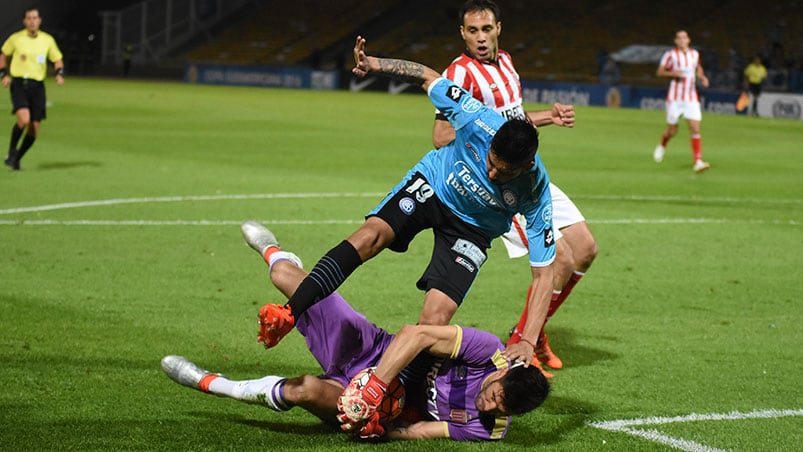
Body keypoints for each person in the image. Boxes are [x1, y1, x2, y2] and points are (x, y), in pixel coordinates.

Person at [256, 36, 556, 372]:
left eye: (503, 173)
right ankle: (290, 311)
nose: (491, 172)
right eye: (491, 161)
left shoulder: (535, 188)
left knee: (435, 318)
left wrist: (529, 340)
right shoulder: (477, 118)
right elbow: (427, 76)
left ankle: (393, 388)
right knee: (371, 235)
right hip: (433, 185)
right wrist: (374, 65)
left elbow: (544, 274)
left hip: (472, 230)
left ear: (526, 166)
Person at [161, 221, 549, 441]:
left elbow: (421, 432)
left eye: (504, 409)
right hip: (373, 352)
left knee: (304, 390)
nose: (493, 407)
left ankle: (211, 382)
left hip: (373, 405)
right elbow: (416, 334)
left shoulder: (491, 427)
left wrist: (380, 426)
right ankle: (276, 252)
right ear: (501, 374)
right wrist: (376, 381)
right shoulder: (489, 352)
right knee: (283, 277)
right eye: (498, 396)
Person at [433, 0, 597, 377]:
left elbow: (512, 120)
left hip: (529, 173)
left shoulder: (506, 63)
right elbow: (441, 135)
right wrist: (482, 136)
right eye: (472, 31)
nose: (480, 37)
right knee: (560, 260)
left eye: (486, 29)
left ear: (498, 29)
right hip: (498, 185)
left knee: (585, 249)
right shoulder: (458, 73)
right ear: (462, 34)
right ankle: (521, 343)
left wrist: (547, 118)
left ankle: (533, 334)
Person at [0, 7, 64, 171]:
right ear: (24, 21)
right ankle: (11, 151)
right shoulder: (16, 38)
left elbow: (57, 59)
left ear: (40, 20)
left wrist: (59, 73)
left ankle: (17, 159)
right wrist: (4, 74)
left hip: (37, 86)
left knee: (34, 129)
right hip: (20, 83)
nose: (32, 21)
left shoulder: (47, 40)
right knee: (24, 119)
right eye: (29, 18)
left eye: (35, 18)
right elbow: (3, 54)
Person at [652, 30, 710, 173]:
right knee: (672, 130)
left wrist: (702, 77)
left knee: (695, 128)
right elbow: (659, 72)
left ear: (688, 40)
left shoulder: (695, 54)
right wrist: (673, 73)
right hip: (675, 98)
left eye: (684, 37)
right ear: (676, 41)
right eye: (679, 38)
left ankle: (697, 161)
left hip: (691, 97)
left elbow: (698, 67)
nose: (682, 40)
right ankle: (663, 145)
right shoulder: (670, 55)